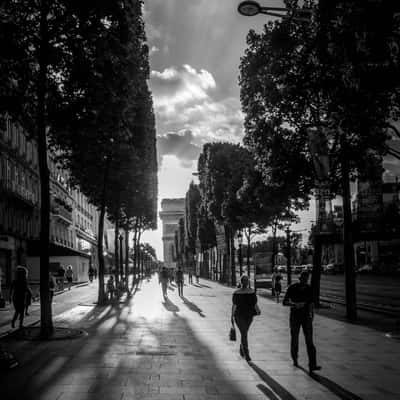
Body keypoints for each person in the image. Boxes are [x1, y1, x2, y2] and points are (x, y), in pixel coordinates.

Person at [283, 271, 321, 374]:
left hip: (306, 317)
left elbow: (311, 302)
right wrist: (294, 304)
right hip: (295, 316)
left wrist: (312, 313)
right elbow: (284, 302)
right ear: (299, 278)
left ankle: (312, 364)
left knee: (310, 341)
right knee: (295, 338)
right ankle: (295, 358)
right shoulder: (292, 287)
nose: (305, 280)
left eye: (307, 279)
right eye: (304, 279)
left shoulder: (309, 288)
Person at [231, 275, 259, 362]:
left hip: (249, 316)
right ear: (241, 282)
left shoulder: (251, 292)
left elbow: (254, 304)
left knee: (244, 333)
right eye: (244, 281)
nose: (246, 282)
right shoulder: (236, 292)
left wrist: (258, 310)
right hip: (239, 316)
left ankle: (242, 347)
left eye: (247, 281)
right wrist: (231, 316)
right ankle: (247, 353)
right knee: (244, 333)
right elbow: (234, 305)